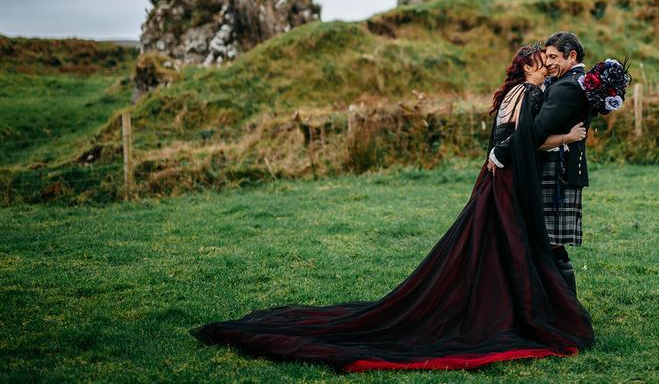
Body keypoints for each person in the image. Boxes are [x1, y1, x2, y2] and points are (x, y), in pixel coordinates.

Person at [189, 43, 595, 373]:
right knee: (507, 243)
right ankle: (520, 310)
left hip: (499, 177)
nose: (546, 68)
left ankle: (529, 304)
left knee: (503, 245)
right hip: (504, 178)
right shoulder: (526, 93)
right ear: (527, 69)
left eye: (549, 63)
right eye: (541, 64)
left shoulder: (520, 92)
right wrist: (561, 138)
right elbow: (520, 139)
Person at [490, 31, 592, 296]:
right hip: (554, 168)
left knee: (551, 244)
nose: (548, 63)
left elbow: (536, 129)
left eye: (553, 57)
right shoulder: (571, 81)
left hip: (556, 172)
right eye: (546, 57)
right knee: (547, 243)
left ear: (572, 56)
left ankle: (566, 308)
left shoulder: (569, 85)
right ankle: (555, 306)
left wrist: (501, 152)